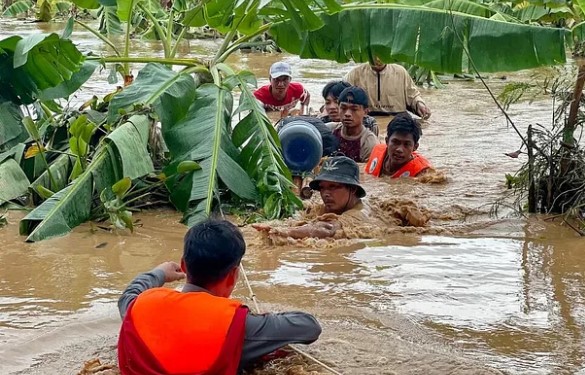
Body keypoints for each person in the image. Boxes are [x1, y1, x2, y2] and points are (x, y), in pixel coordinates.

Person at [117, 219, 321, 375]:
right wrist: (262, 320)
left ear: (184, 265)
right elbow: (309, 327)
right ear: (233, 274)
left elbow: (130, 293)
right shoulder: (238, 323)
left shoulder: (140, 306)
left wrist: (159, 273)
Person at [253, 156, 367, 239]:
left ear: (353, 189)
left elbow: (328, 229)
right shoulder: (322, 208)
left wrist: (286, 232)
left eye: (333, 187)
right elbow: (302, 215)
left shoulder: (358, 214)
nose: (326, 193)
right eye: (322, 188)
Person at [344, 57, 431, 118]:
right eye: (374, 55)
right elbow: (342, 98)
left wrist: (420, 104)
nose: (378, 59)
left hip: (398, 118)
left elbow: (413, 96)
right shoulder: (355, 74)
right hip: (367, 119)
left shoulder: (400, 72)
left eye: (382, 55)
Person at [365, 113, 433, 178]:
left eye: (406, 144)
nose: (399, 149)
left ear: (415, 147)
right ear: (387, 141)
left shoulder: (422, 172)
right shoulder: (377, 151)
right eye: (395, 142)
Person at [326, 86, 378, 163]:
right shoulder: (329, 130)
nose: (347, 114)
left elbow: (367, 172)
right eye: (343, 108)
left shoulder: (369, 142)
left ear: (365, 112)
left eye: (354, 109)